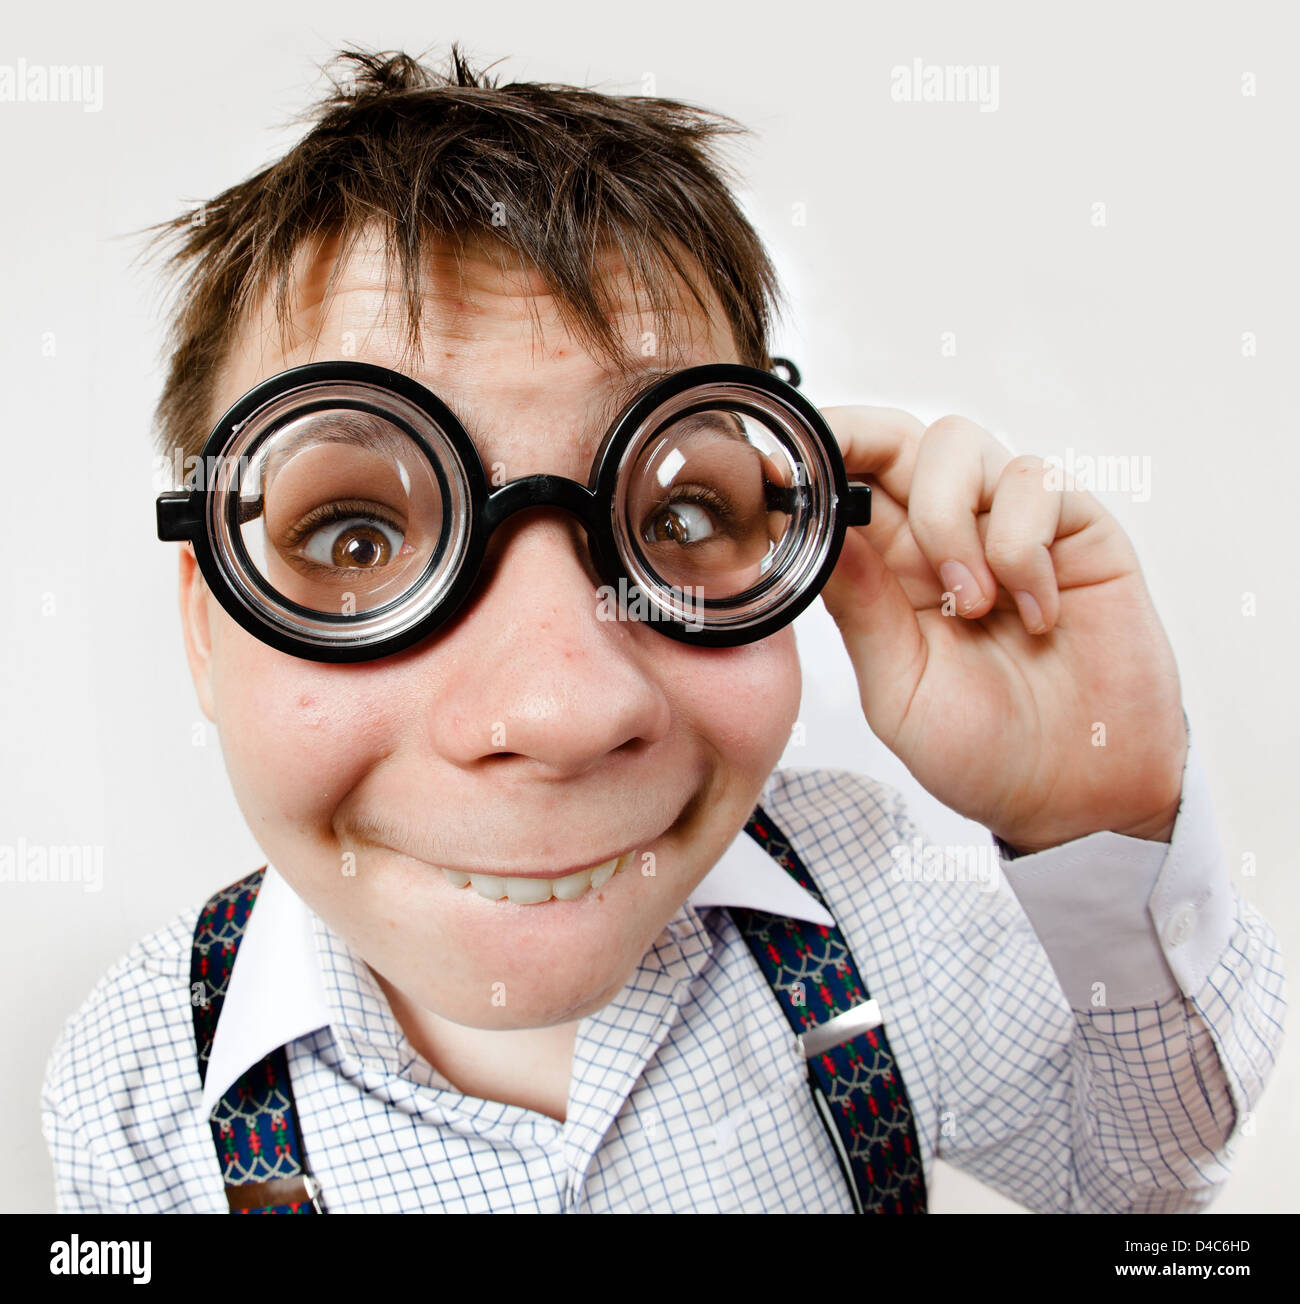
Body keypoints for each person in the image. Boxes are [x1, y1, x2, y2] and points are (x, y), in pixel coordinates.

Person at [41, 44, 1284, 1214]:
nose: (564, 710)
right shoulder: (137, 1084)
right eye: (356, 538)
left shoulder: (875, 905)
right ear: (208, 628)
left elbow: (1144, 1191)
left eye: (678, 510)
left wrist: (1093, 823)